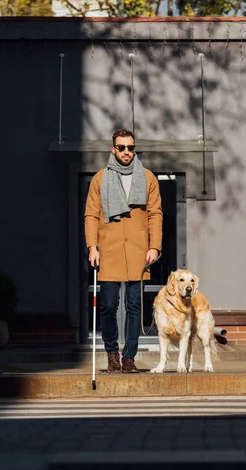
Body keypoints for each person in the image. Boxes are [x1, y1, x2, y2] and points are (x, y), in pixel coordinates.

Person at [84, 129, 163, 374]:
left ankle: (129, 357)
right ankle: (112, 355)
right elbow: (91, 215)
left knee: (134, 307)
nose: (127, 152)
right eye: (121, 147)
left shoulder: (148, 177)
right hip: (108, 251)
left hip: (138, 252)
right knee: (107, 305)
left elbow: (155, 214)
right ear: (113, 149)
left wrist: (154, 246)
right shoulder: (100, 178)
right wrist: (92, 246)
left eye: (130, 147)